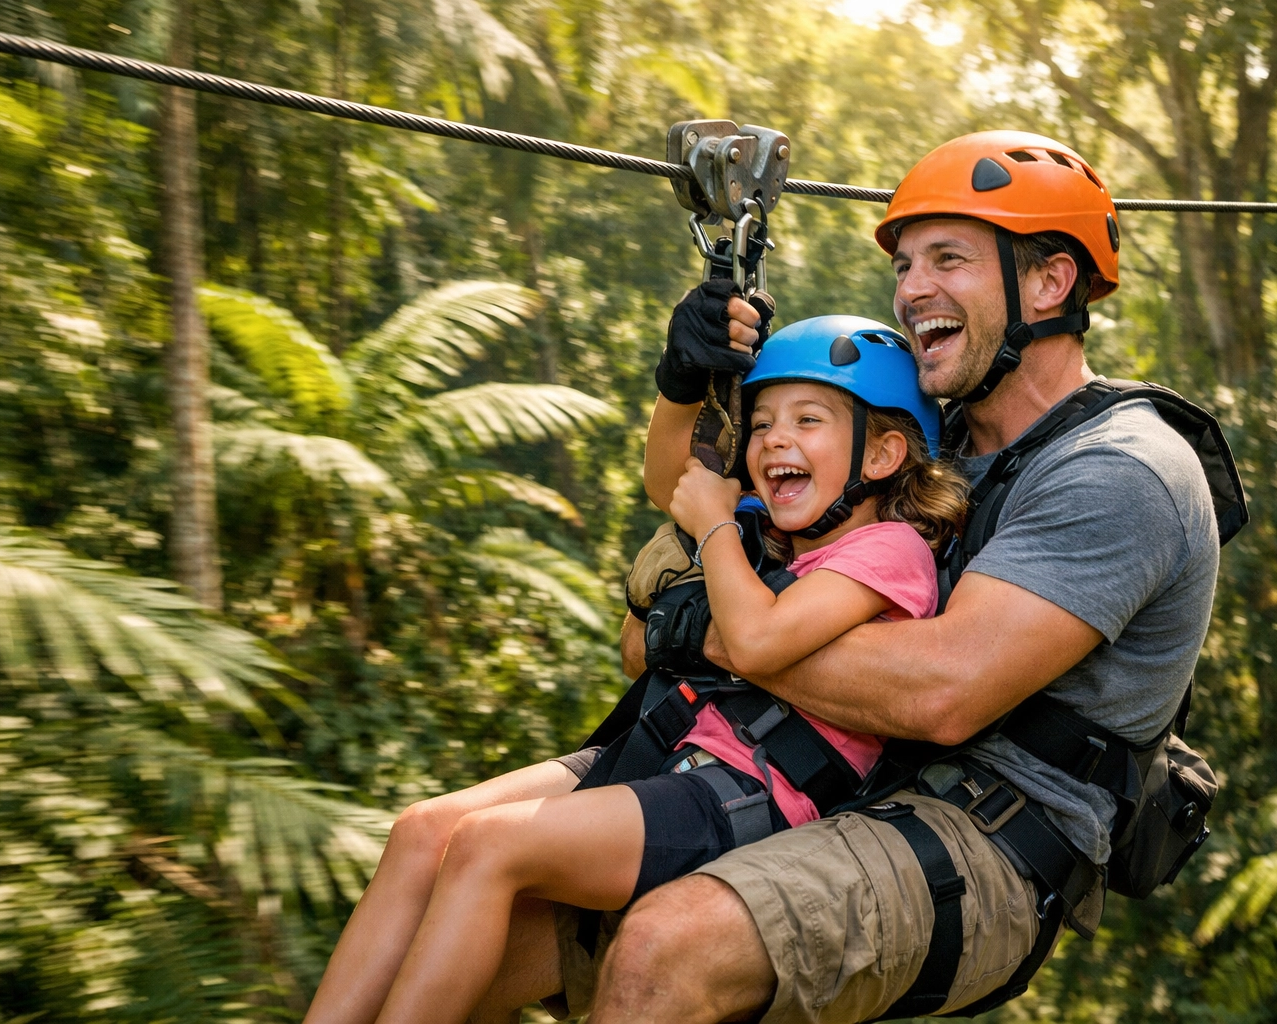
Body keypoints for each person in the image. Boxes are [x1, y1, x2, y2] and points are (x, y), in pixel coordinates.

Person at [536, 129, 1229, 1023]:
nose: (911, 291)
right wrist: (686, 380)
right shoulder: (925, 438)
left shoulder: (1122, 470)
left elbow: (941, 692)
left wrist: (704, 633)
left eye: (948, 260)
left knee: (670, 944)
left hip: (995, 832)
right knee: (485, 893)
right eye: (905, 266)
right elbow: (691, 493)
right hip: (831, 760)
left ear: (1051, 284)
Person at [302, 317, 964, 1024]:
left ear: (886, 452)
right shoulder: (775, 533)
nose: (774, 440)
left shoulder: (889, 549)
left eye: (808, 420)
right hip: (675, 751)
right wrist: (683, 383)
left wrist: (715, 528)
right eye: (763, 423)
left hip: (752, 790)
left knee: (487, 846)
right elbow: (667, 477)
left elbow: (758, 643)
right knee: (422, 830)